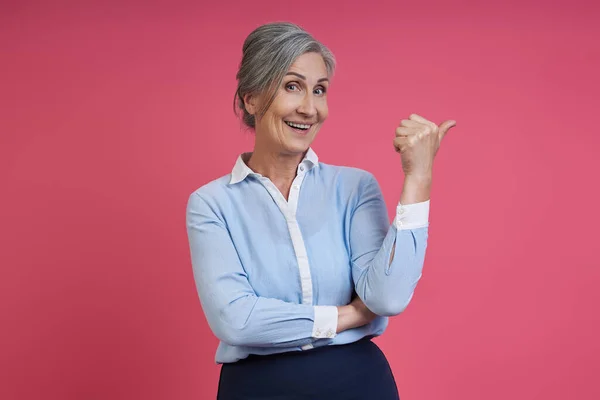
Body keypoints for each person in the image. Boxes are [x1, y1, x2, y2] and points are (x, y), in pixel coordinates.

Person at [186, 22, 456, 400]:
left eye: (320, 90)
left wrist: (418, 177)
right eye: (292, 86)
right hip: (258, 389)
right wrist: (346, 316)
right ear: (250, 99)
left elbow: (387, 299)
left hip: (359, 384)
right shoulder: (211, 204)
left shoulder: (354, 188)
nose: (310, 108)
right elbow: (237, 320)